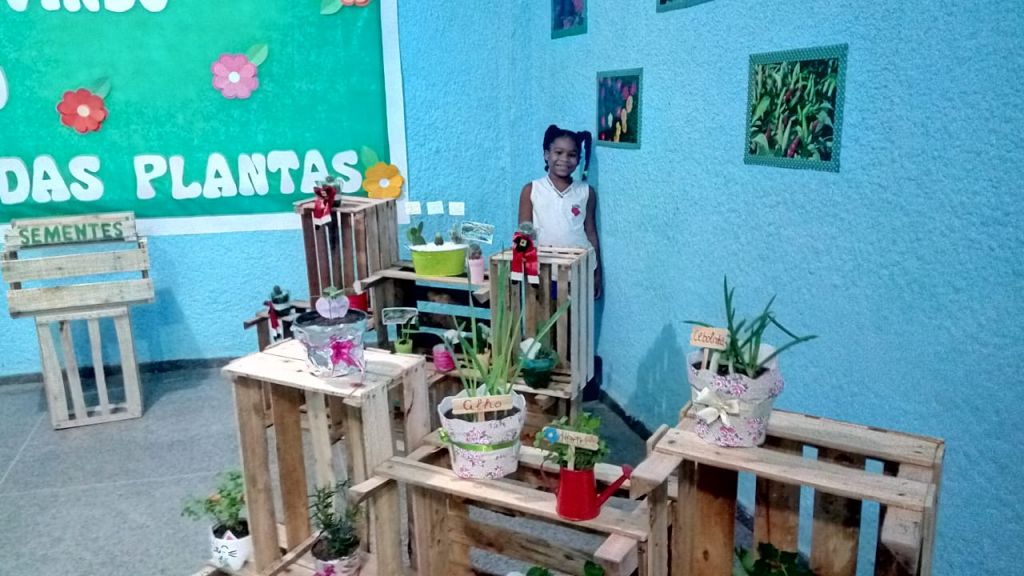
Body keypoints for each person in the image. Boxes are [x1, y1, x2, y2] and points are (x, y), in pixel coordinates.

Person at [517, 124, 602, 298]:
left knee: (577, 315)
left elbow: (591, 233)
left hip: (579, 271)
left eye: (572, 154)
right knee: (545, 314)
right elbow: (523, 235)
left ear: (578, 159)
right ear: (546, 154)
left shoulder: (586, 192)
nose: (564, 159)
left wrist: (597, 273)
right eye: (558, 152)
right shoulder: (532, 190)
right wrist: (523, 272)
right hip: (544, 273)